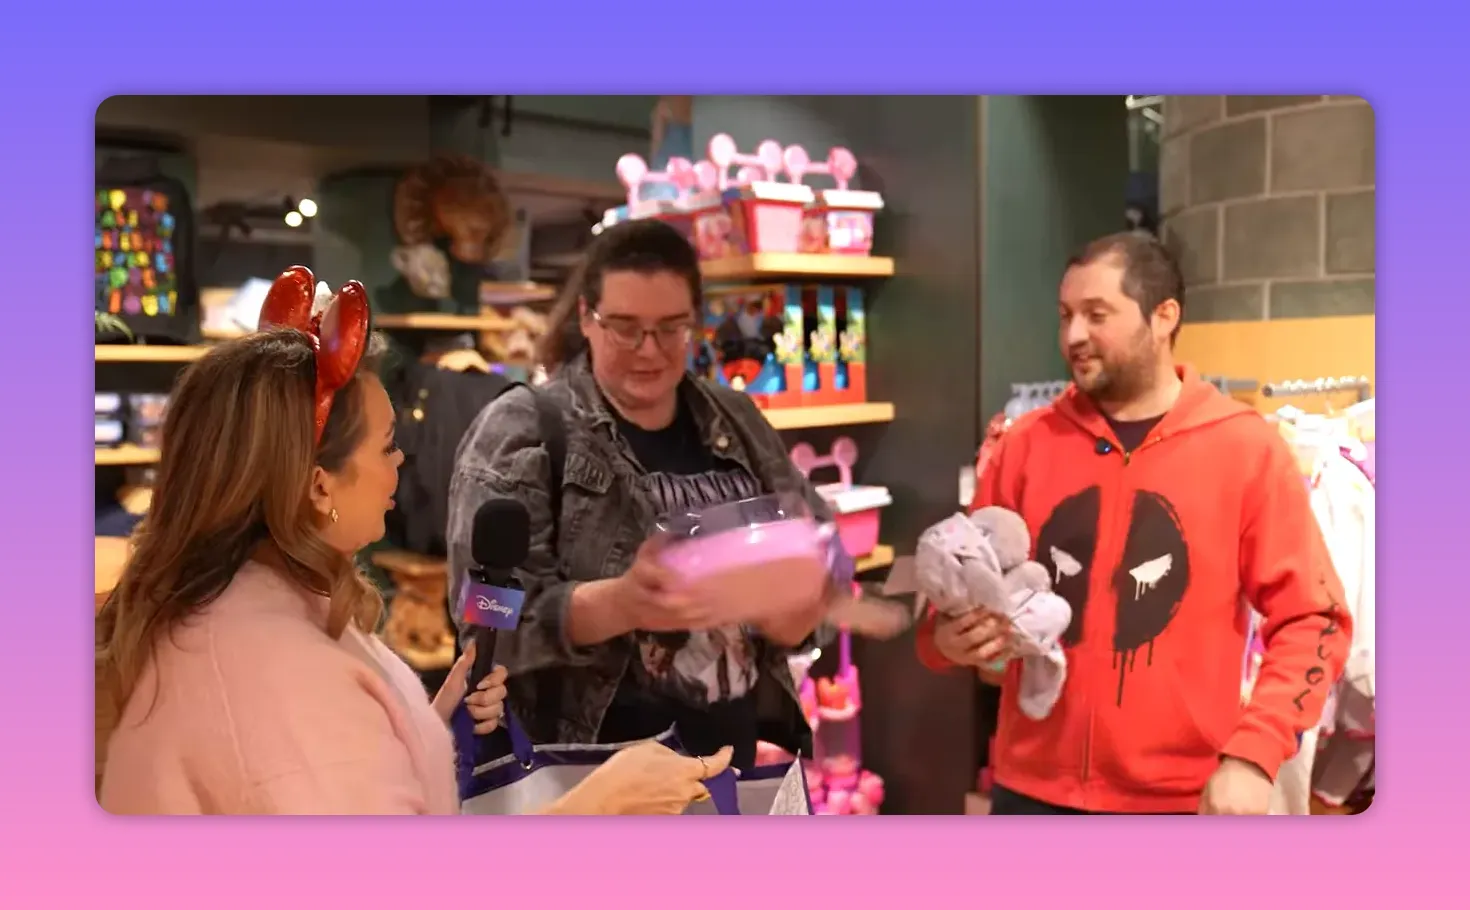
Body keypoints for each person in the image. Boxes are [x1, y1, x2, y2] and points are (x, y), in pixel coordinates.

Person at [95, 267, 730, 815]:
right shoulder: (274, 670)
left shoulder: (255, 610)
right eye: (388, 444)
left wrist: (424, 723)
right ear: (319, 485)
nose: (403, 462)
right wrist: (602, 802)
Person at [916, 232, 1353, 815]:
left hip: (1183, 801)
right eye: (1066, 315)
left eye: (1098, 315)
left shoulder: (1246, 449)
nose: (1074, 335)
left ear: (1164, 316)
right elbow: (952, 592)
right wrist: (945, 641)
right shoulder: (1025, 444)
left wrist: (1255, 752)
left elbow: (1313, 618)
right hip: (1030, 793)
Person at [447, 220, 833, 773]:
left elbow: (815, 550)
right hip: (588, 786)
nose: (648, 351)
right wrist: (621, 604)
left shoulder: (738, 421)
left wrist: (800, 604)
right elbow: (482, 625)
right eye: (625, 327)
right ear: (586, 317)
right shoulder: (521, 431)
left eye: (671, 328)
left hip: (730, 770)